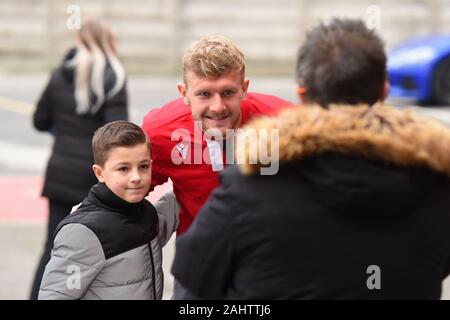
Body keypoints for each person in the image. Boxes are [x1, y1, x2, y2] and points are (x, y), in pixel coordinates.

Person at [171, 18, 450, 299]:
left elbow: (194, 276)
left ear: (302, 97)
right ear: (384, 91)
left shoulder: (249, 186)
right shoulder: (438, 183)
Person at [142, 35, 292, 298]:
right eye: (204, 94)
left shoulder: (284, 121)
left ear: (244, 88)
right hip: (200, 267)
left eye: (228, 92)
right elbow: (126, 192)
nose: (218, 106)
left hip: (269, 265)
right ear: (184, 94)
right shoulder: (160, 131)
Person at [30, 19, 129, 299]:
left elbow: (39, 120)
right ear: (107, 41)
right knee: (97, 248)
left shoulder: (60, 73)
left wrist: (62, 130)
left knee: (53, 247)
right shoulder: (113, 76)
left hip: (60, 173)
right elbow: (116, 134)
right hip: (93, 179)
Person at [38, 121, 178, 300]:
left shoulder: (145, 212)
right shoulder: (83, 232)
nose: (136, 177)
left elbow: (173, 207)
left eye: (143, 166)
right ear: (99, 173)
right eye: (123, 169)